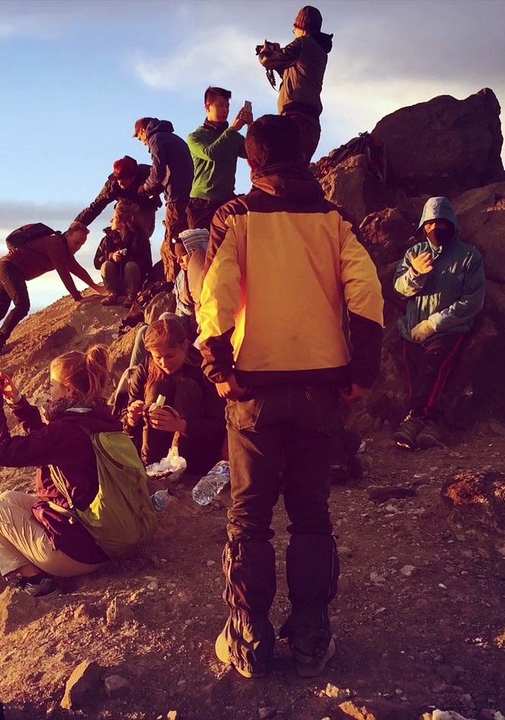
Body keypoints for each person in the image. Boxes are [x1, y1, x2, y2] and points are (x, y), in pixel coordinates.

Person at [196, 114, 384, 679]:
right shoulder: (334, 220)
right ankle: (310, 636)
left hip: (255, 388)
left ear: (253, 162)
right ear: (302, 156)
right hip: (322, 387)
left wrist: (219, 368)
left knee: (249, 517)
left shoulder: (239, 218)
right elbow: (367, 291)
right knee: (311, 513)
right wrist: (362, 370)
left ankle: (248, 638)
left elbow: (216, 294)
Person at [0, 346, 121, 598]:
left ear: (68, 390)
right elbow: (48, 441)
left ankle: (36, 581)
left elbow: (3, 452)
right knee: (8, 499)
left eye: (52, 385)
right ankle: (38, 567)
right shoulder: (97, 416)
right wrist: (18, 402)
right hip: (102, 533)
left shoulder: (67, 431)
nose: (49, 391)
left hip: (79, 553)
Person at [391, 196, 485, 450]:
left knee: (433, 367)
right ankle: (430, 425)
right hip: (412, 328)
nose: (435, 229)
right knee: (415, 376)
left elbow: (472, 301)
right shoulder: (414, 253)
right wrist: (415, 274)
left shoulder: (469, 257)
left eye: (441, 223)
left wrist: (433, 323)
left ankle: (414, 421)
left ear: (452, 224)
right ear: (423, 226)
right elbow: (400, 289)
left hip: (447, 329)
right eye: (430, 224)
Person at [0, 224, 104, 359]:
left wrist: (97, 288)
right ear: (68, 235)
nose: (78, 247)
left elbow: (77, 269)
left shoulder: (64, 250)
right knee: (22, 305)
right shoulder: (55, 244)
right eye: (77, 242)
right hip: (10, 267)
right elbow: (63, 272)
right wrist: (77, 297)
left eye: (82, 244)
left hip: (6, 267)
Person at [120, 316, 226, 475]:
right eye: (158, 357)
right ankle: (151, 464)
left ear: (184, 346)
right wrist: (132, 417)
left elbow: (219, 424)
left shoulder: (203, 369)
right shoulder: (145, 368)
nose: (164, 363)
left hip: (194, 452)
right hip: (153, 452)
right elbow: (126, 419)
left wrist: (182, 426)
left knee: (186, 388)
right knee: (158, 387)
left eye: (170, 356)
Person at [257, 5, 333, 165]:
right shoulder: (319, 51)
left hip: (294, 119)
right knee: (298, 169)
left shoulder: (302, 43)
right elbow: (295, 75)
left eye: (294, 30)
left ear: (301, 28)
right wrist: (279, 58)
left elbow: (268, 61)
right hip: (311, 122)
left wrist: (265, 52)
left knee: (282, 168)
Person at [134, 116, 193, 283]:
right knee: (183, 240)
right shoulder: (172, 138)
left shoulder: (156, 139)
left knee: (172, 243)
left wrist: (144, 188)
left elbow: (158, 171)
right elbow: (172, 171)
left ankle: (173, 285)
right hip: (188, 195)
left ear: (143, 131)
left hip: (176, 198)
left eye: (140, 138)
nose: (143, 143)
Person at [73, 155, 160, 265]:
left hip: (146, 207)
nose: (120, 183)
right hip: (124, 205)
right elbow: (95, 207)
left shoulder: (147, 173)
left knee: (140, 237)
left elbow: (168, 182)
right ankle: (116, 265)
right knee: (119, 230)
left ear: (132, 177)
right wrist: (76, 226)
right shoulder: (113, 185)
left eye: (123, 180)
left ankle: (138, 269)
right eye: (118, 180)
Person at [187, 86, 251, 230]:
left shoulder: (232, 136)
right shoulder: (195, 137)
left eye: (227, 106)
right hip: (202, 203)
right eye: (220, 105)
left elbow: (253, 152)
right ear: (207, 107)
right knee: (203, 250)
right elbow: (211, 153)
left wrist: (251, 126)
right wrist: (233, 129)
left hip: (226, 200)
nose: (225, 110)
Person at [93, 213, 153, 306]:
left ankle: (131, 296)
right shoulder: (107, 239)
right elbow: (96, 263)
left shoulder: (139, 238)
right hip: (116, 281)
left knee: (131, 266)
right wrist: (111, 256)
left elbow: (147, 264)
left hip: (133, 281)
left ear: (123, 222)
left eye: (114, 218)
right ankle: (112, 294)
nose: (111, 221)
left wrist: (127, 257)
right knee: (106, 265)